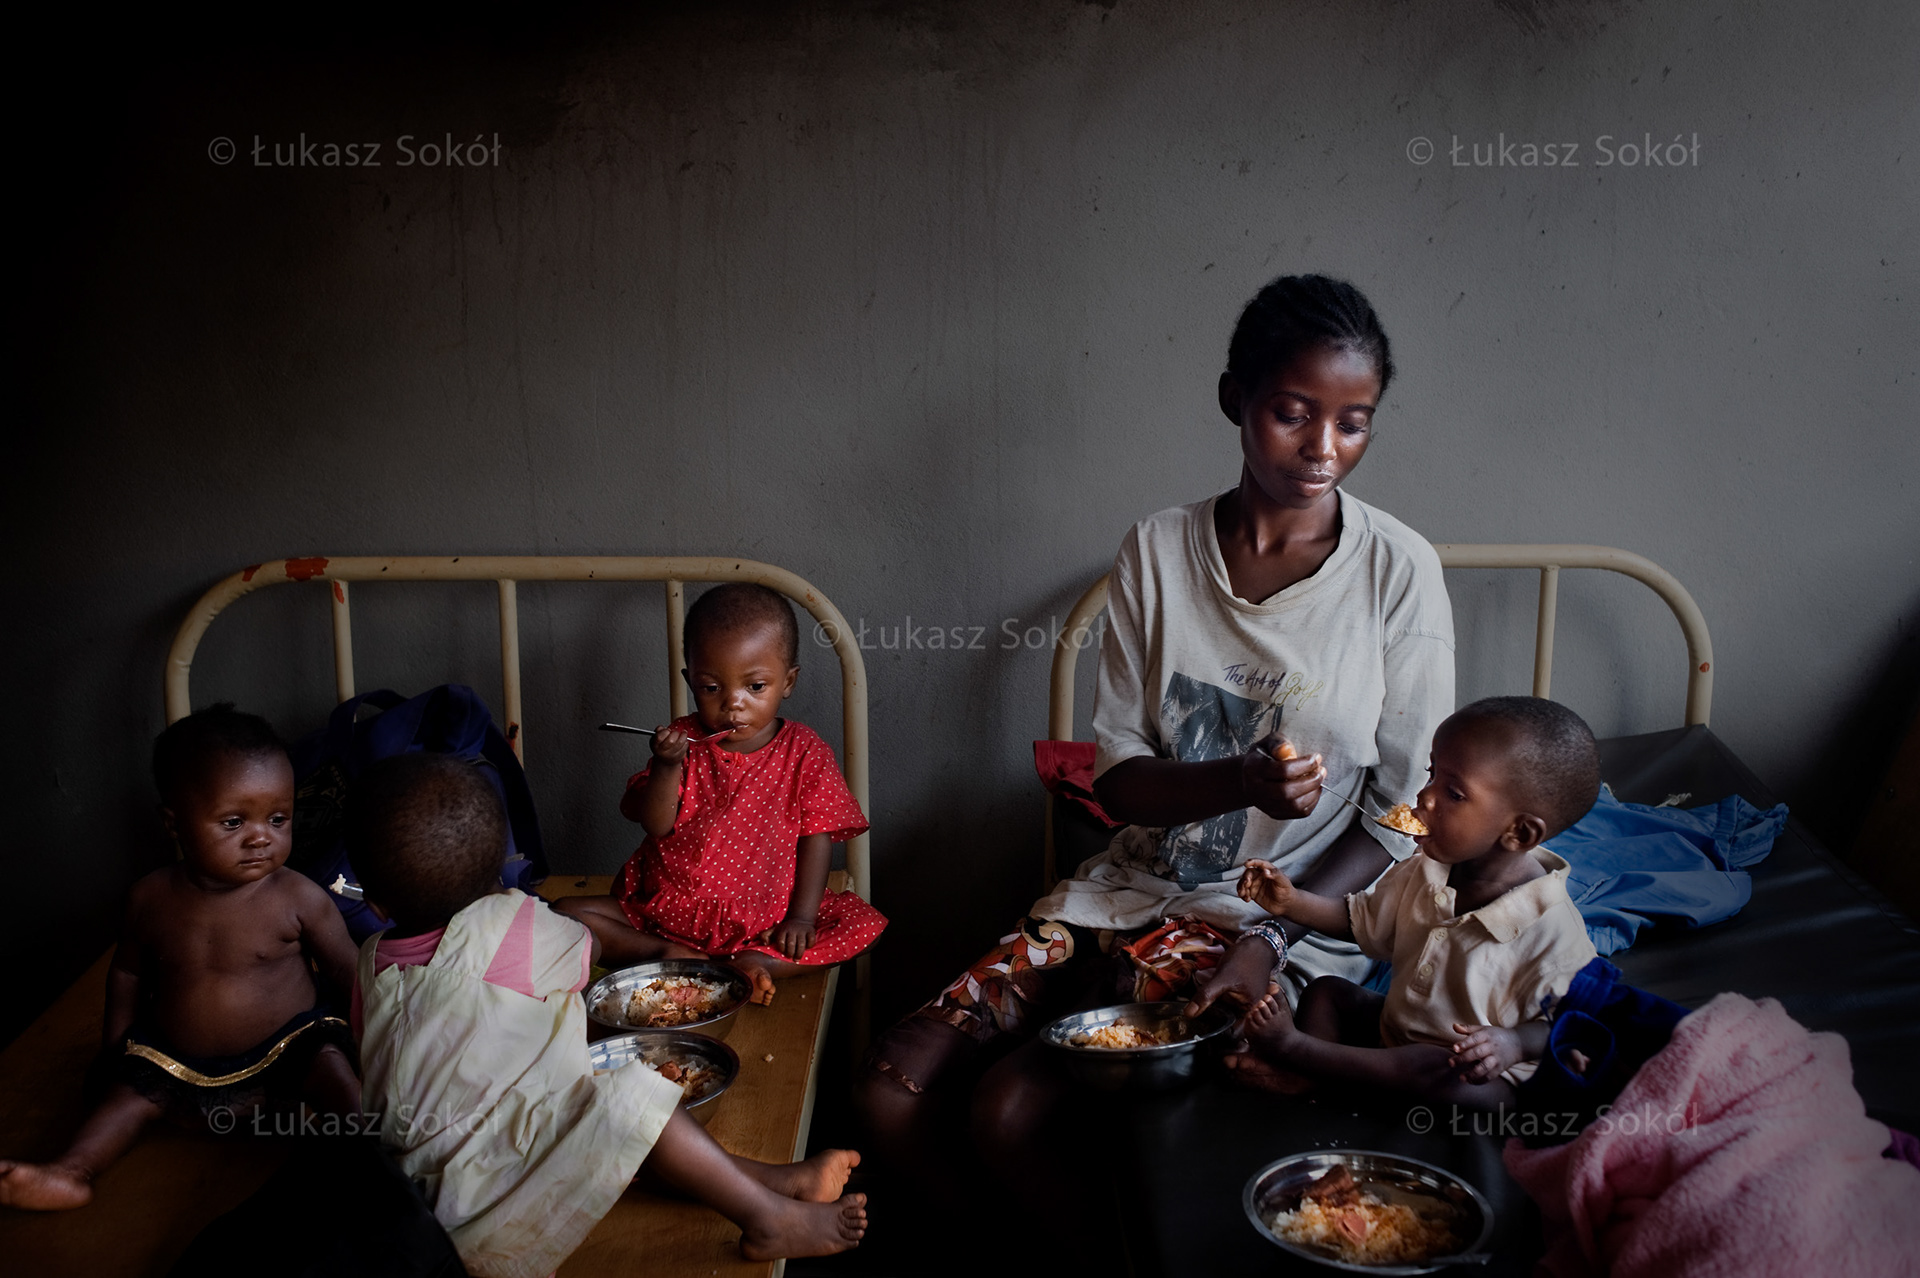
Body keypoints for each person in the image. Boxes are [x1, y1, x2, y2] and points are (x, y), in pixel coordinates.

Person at [854, 274, 1456, 1177]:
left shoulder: (1397, 572)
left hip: (1284, 921)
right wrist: (1240, 783)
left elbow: (1406, 814)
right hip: (1128, 889)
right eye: (1293, 413)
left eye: (1353, 421)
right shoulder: (1158, 550)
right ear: (1235, 401)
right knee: (888, 1088)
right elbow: (1119, 778)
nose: (1322, 449)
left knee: (1010, 1111)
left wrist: (1271, 934)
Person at [349, 751, 869, 1276]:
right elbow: (583, 951)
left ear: (374, 903)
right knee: (635, 1100)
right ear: (500, 869)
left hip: (422, 1200)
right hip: (501, 1194)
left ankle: (778, 1181)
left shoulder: (369, 961)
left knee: (593, 1108)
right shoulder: (517, 927)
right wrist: (644, 949)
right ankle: (766, 1217)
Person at [0, 705, 360, 1211]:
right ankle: (72, 1170)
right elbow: (126, 973)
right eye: (234, 822)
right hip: (178, 1065)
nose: (261, 836)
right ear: (174, 823)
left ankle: (373, 1153)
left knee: (332, 1067)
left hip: (287, 1053)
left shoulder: (299, 897)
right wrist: (116, 1049)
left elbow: (348, 971)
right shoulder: (150, 899)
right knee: (126, 1096)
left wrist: (373, 1038)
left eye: (278, 818)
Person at [1235, 696, 1603, 1106]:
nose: (1425, 797)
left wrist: (1513, 1044)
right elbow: (1360, 921)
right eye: (1431, 775)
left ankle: (1299, 1053)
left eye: (1454, 793)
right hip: (1400, 1031)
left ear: (1519, 834)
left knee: (1437, 1071)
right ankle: (1317, 1072)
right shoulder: (1425, 870)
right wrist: (1291, 902)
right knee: (1327, 992)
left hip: (1472, 1072)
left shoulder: (1550, 931)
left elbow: (1567, 1024)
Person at [556, 582, 886, 1005]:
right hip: (668, 914)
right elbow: (656, 824)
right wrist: (667, 764)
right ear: (690, 680)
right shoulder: (684, 741)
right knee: (565, 912)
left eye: (756, 687)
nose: (734, 704)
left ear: (788, 682)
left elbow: (816, 837)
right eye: (712, 688)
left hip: (764, 916)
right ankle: (667, 954)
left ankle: (755, 962)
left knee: (862, 928)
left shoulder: (804, 751)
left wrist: (801, 918)